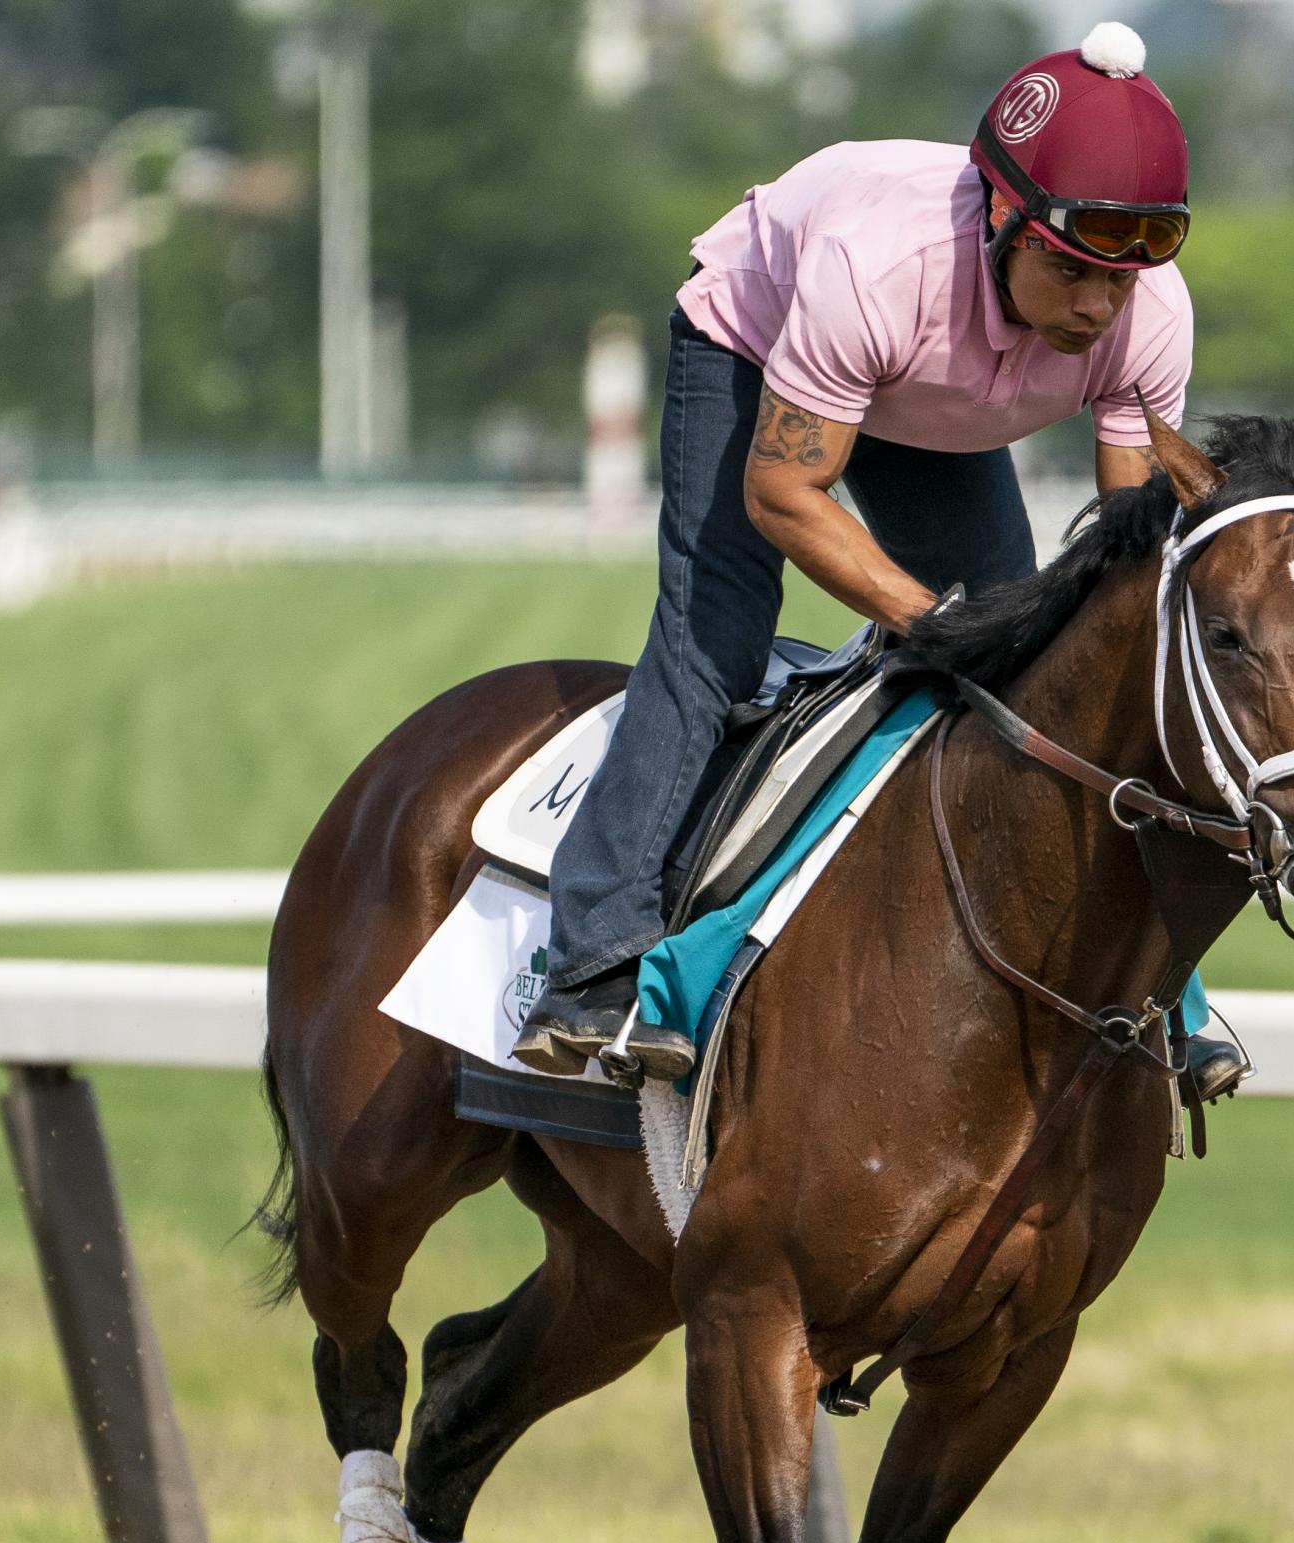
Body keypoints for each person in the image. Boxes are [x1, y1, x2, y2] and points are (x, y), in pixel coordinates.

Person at [515, 21, 1237, 1097]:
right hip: (762, 342)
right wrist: (925, 617)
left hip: (922, 392)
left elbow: (1128, 550)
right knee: (719, 633)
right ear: (1004, 214)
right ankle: (589, 961)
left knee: (1039, 657)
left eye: (1122, 282)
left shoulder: (1147, 316)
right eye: (1075, 269)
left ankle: (1150, 971)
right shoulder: (878, 265)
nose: (1097, 306)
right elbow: (783, 493)